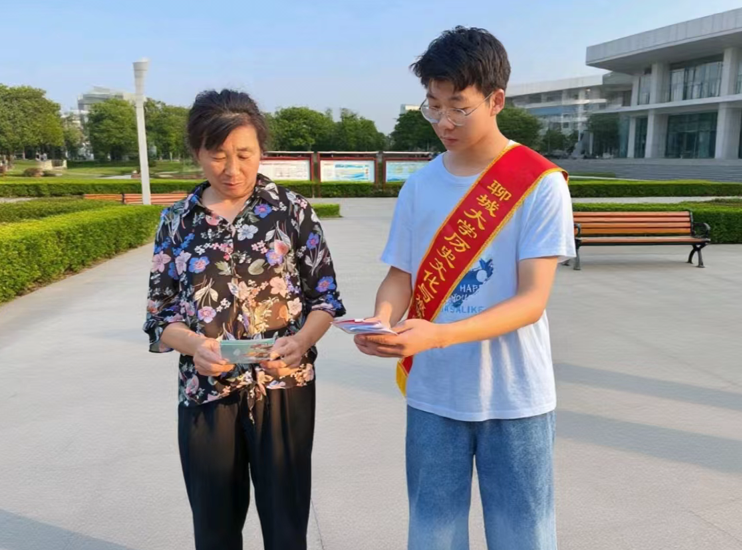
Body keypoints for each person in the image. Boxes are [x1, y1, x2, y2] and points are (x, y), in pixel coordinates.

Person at [354, 27, 575, 550]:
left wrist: (438, 335)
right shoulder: (420, 186)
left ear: (496, 101)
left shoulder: (539, 183)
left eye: (459, 107)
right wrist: (382, 319)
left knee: (524, 535)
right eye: (433, 107)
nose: (444, 123)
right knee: (433, 532)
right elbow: (401, 275)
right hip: (435, 394)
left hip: (516, 395)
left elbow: (531, 301)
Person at [144, 89, 345, 550]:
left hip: (284, 385)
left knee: (286, 525)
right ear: (196, 152)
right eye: (217, 156)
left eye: (244, 154)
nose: (232, 169)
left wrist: (300, 341)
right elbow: (160, 314)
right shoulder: (176, 221)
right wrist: (195, 346)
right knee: (214, 527)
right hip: (206, 391)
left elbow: (325, 298)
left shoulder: (292, 211)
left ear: (261, 150)